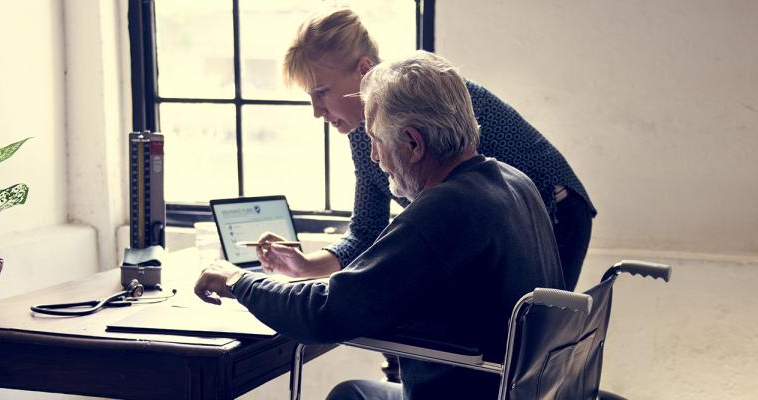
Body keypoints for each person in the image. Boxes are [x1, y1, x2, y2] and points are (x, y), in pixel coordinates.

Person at [195, 51, 565, 400]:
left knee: (350, 394)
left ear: (413, 143)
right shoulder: (514, 181)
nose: (374, 156)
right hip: (516, 390)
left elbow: (324, 313)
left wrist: (237, 280)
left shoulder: (446, 208)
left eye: (375, 140)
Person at [256, 7, 595, 291]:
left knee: (533, 342)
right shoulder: (363, 138)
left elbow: (491, 206)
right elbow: (365, 231)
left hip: (557, 207)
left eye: (322, 92)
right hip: (501, 225)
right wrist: (304, 267)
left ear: (363, 70)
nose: (317, 111)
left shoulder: (431, 92)